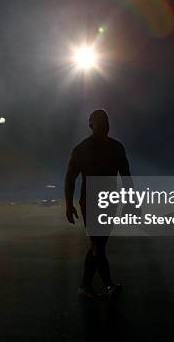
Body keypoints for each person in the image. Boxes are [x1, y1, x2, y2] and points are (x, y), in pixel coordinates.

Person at [65, 109, 130, 299]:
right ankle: (109, 285)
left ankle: (85, 286)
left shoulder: (116, 148)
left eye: (106, 121)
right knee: (97, 244)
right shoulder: (82, 149)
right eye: (100, 121)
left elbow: (126, 176)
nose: (104, 124)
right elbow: (70, 179)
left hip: (109, 201)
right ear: (91, 125)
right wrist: (69, 204)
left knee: (98, 244)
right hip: (91, 201)